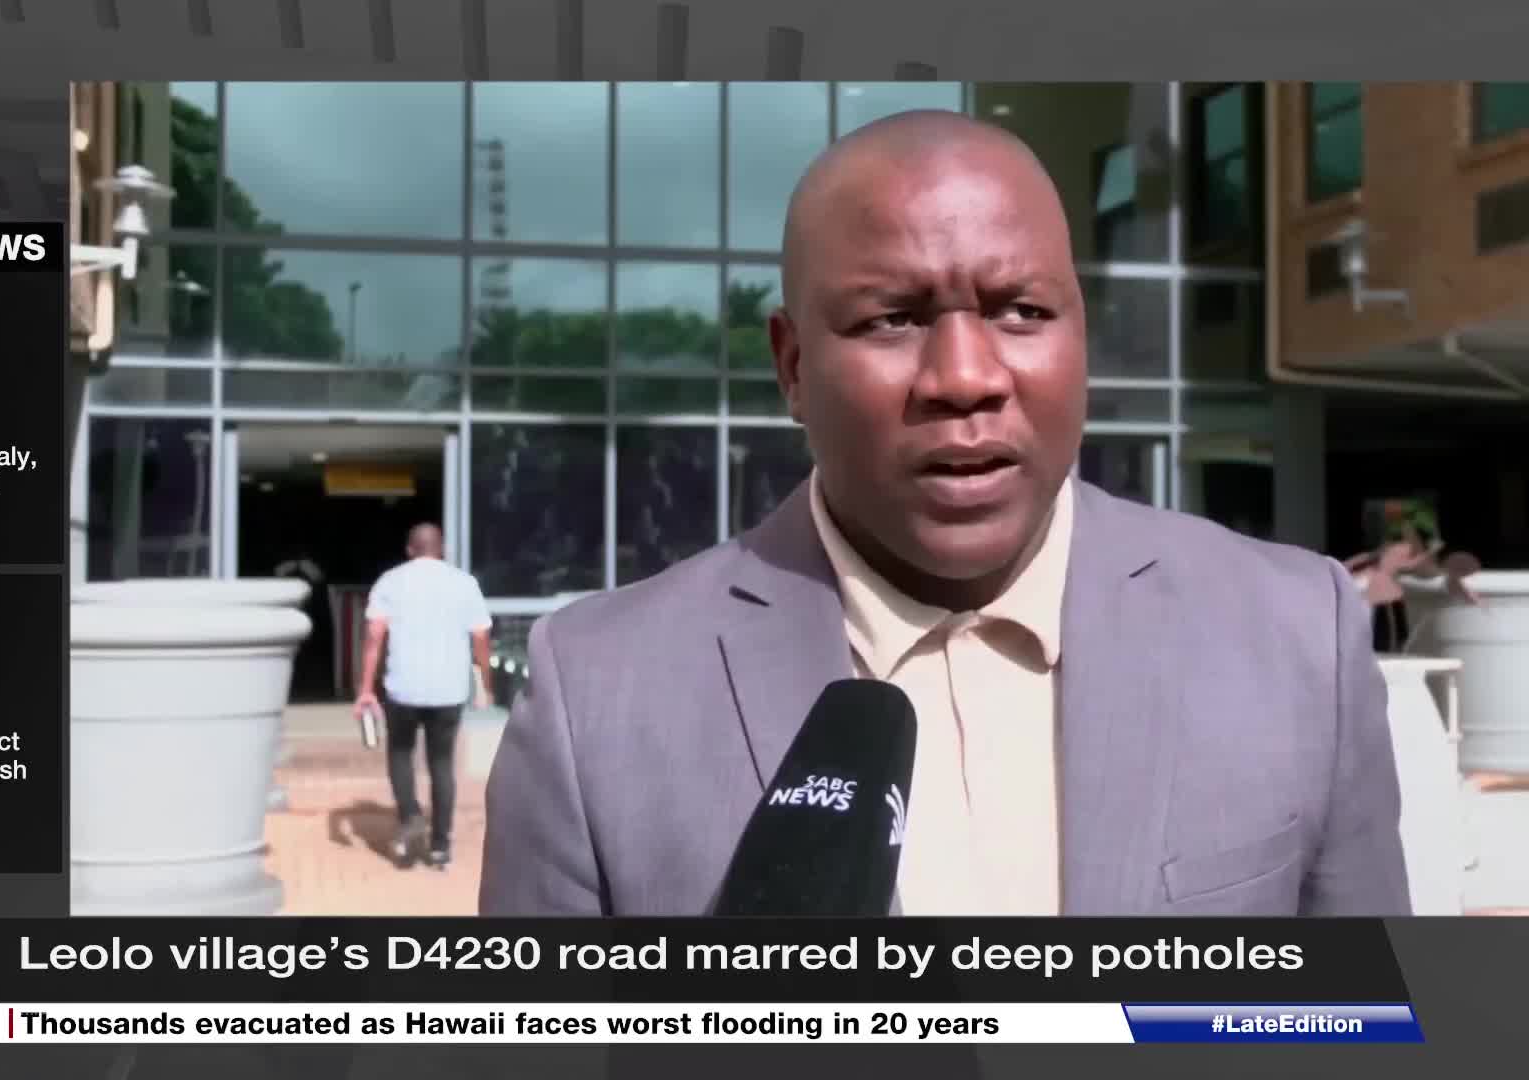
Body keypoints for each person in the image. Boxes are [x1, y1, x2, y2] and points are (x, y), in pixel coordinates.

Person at [479, 111, 1408, 917]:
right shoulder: (596, 699)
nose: (965, 378)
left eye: (1020, 310)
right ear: (793, 366)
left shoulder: (1297, 637)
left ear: (1081, 332)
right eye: (892, 319)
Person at [354, 523, 493, 869]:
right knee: (442, 763)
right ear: (441, 548)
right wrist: (485, 683)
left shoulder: (390, 581)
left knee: (400, 754)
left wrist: (365, 689)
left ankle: (411, 816)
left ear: (410, 549)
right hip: (448, 689)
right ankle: (440, 847)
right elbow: (481, 638)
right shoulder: (464, 582)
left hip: (403, 686)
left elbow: (374, 638)